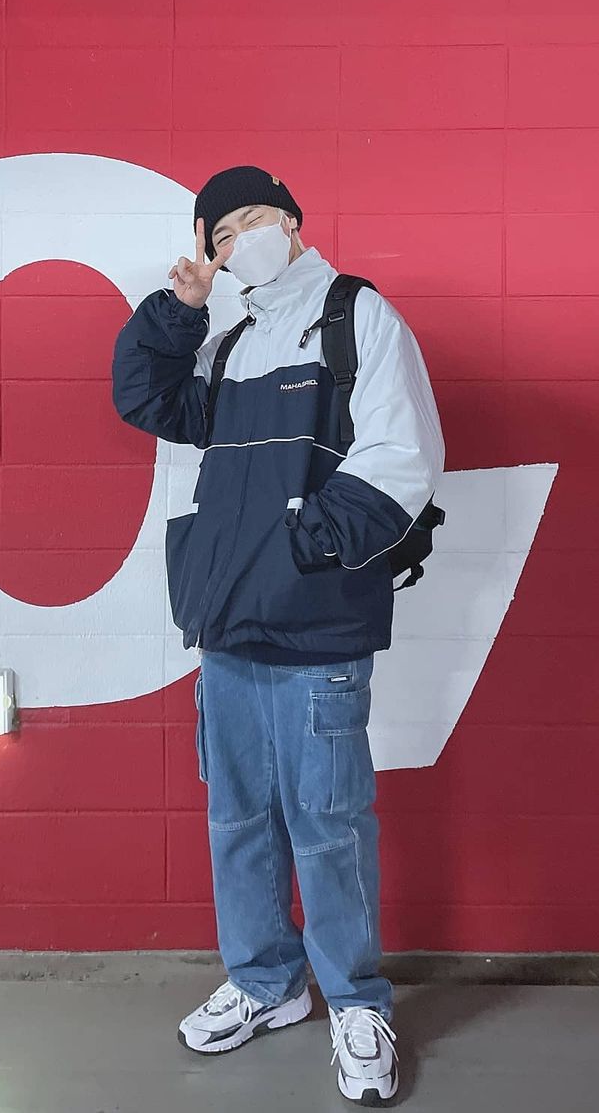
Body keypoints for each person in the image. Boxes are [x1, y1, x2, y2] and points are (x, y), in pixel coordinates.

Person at [112, 165, 445, 1106]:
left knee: (328, 826)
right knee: (239, 820)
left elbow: (403, 456)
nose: (239, 241)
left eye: (252, 219)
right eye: (220, 235)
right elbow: (143, 398)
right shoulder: (228, 342)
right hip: (226, 628)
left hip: (316, 631)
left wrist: (300, 548)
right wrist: (179, 311)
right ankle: (267, 984)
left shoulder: (357, 318)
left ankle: (355, 1002)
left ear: (294, 221)